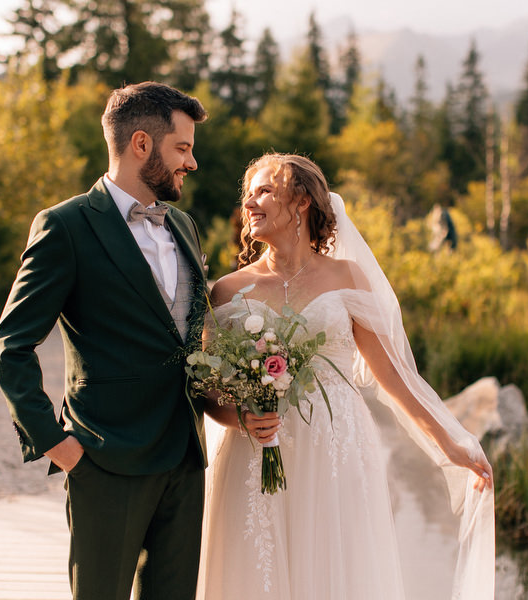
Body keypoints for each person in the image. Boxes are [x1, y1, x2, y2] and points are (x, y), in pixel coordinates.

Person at [197, 153, 495, 599]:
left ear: (301, 202)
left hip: (334, 449)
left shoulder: (347, 277)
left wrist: (450, 442)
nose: (249, 205)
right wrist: (239, 417)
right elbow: (205, 386)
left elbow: (394, 377)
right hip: (255, 451)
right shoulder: (227, 289)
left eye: (264, 191)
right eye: (247, 195)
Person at [0, 81, 209, 600]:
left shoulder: (184, 226)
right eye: (182, 147)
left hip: (184, 457)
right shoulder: (65, 227)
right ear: (141, 144)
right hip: (106, 461)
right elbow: (12, 346)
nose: (192, 162)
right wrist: (56, 444)